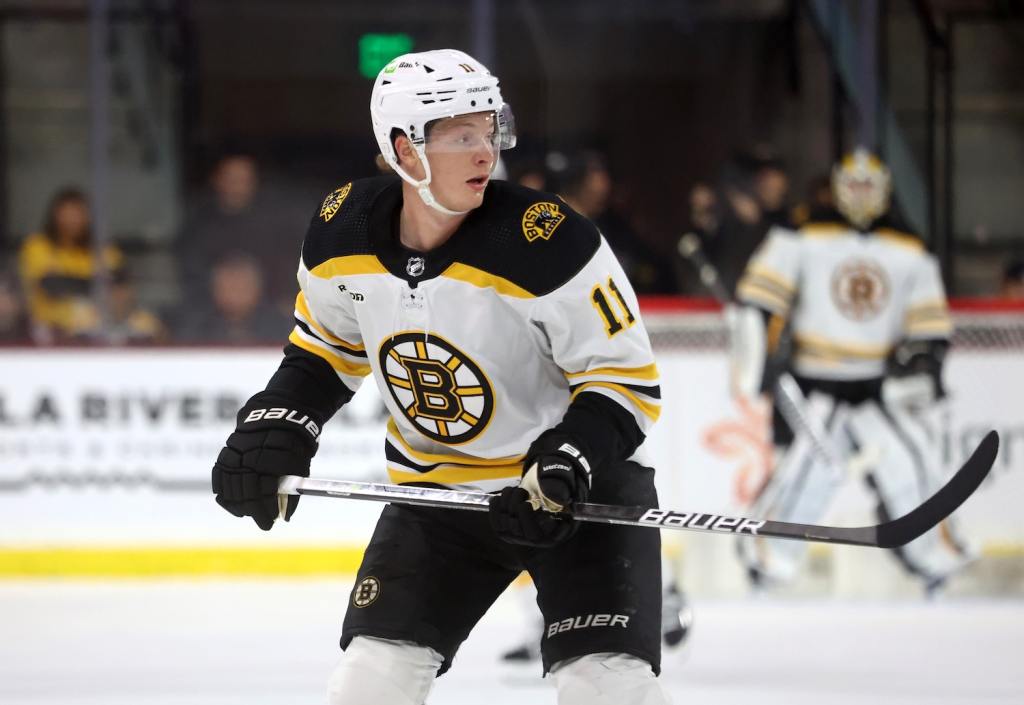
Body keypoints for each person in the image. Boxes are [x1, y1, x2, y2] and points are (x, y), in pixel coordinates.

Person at [211, 49, 671, 704]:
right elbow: (322, 353)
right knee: (367, 685)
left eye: (490, 131)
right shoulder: (341, 231)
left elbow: (627, 383)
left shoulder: (548, 241)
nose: (486, 153)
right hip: (437, 496)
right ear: (404, 148)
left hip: (578, 495)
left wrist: (569, 460)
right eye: (462, 137)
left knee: (607, 689)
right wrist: (277, 425)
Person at [731, 148, 973, 594]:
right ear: (837, 186)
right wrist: (758, 358)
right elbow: (758, 302)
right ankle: (767, 563)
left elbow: (929, 325)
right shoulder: (803, 232)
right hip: (816, 384)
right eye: (853, 185)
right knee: (804, 477)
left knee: (911, 467)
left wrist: (924, 364)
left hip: (877, 385)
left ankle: (935, 560)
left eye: (869, 186)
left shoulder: (907, 246)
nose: (861, 195)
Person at [17, 187, 124, 343]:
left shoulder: (102, 249)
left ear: (88, 217)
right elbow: (50, 286)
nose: (72, 220)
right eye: (67, 213)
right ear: (55, 216)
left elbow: (119, 284)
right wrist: (94, 283)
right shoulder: (37, 246)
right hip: (50, 333)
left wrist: (67, 281)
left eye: (78, 213)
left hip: (98, 330)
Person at [176, 252, 291, 344]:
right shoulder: (197, 327)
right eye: (228, 287)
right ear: (215, 290)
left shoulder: (281, 326)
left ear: (257, 289)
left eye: (242, 287)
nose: (235, 294)